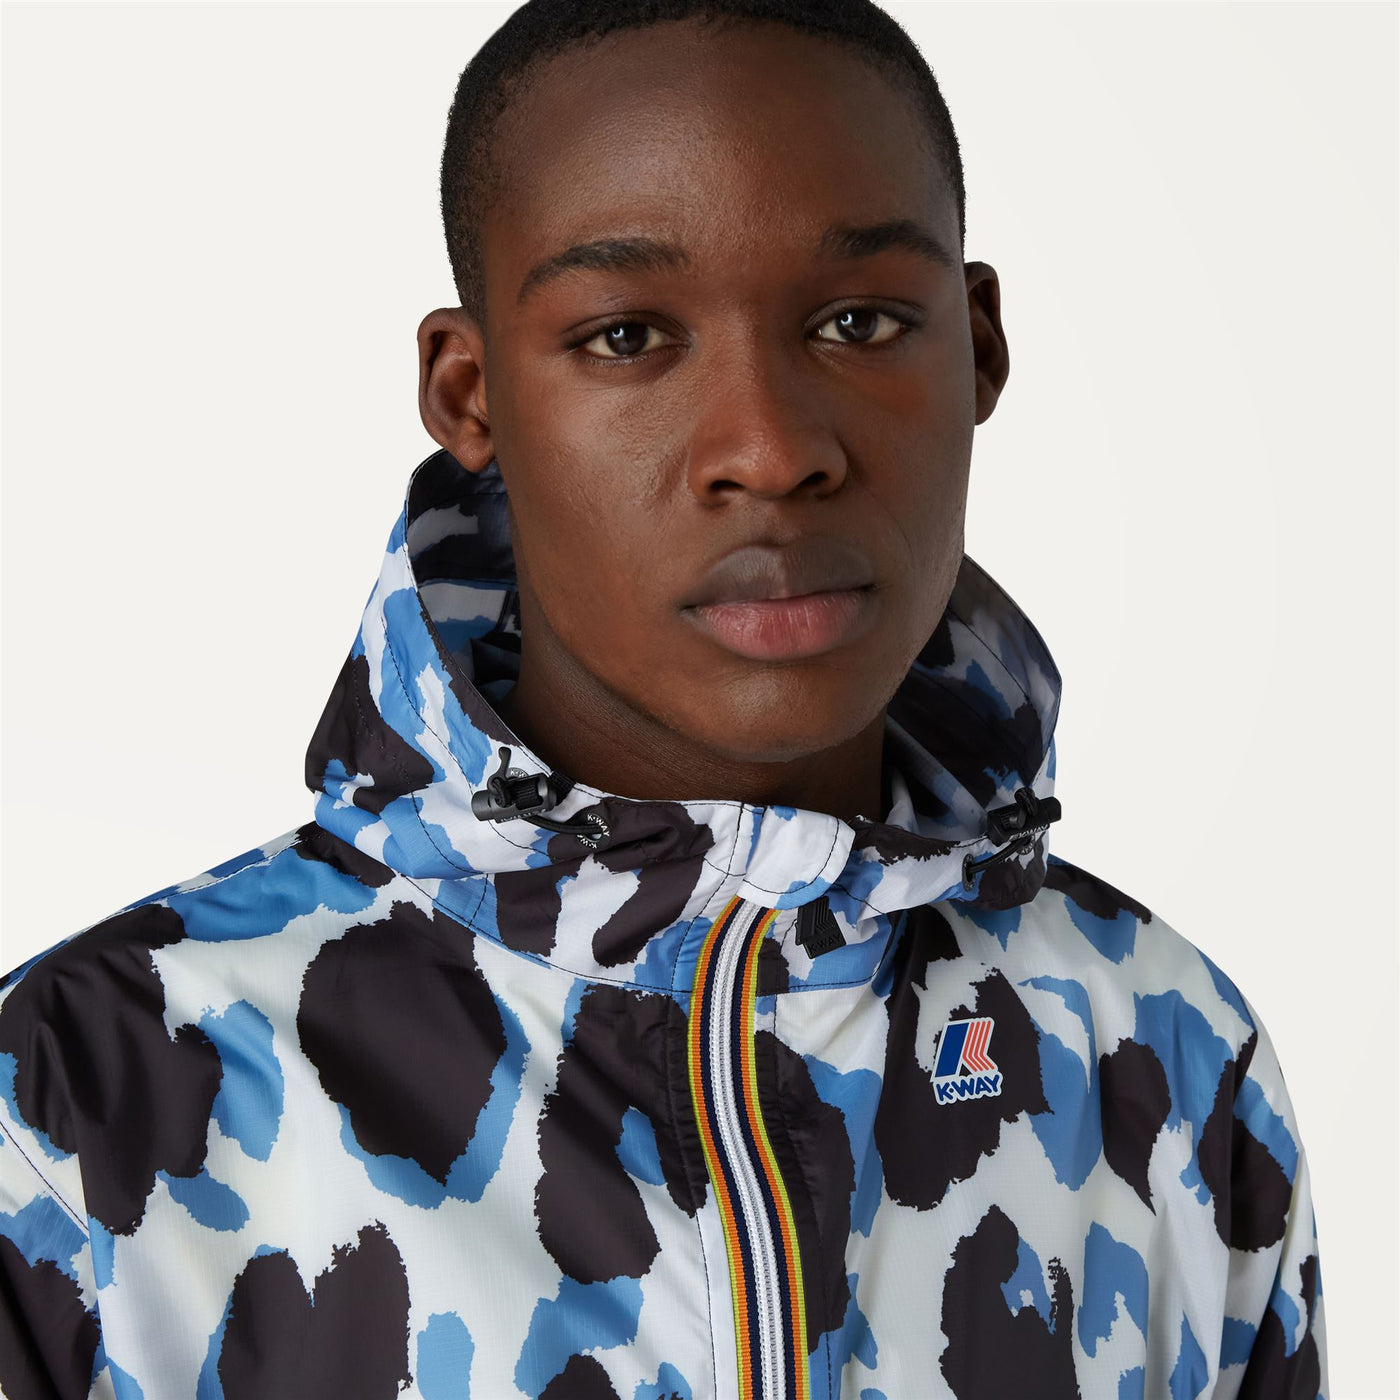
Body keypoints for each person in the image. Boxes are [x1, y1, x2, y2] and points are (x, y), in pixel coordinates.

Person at [0, 0, 1328, 1395]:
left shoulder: (1162, 1061)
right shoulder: (79, 1111)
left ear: (980, 347)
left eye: (860, 321)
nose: (769, 447)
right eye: (628, 336)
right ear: (471, 395)